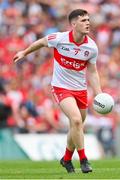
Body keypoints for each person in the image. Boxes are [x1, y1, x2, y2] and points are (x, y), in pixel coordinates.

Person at [13, 9, 102, 173]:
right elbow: (40, 42)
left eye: (88, 20)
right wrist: (24, 52)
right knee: (76, 121)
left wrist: (98, 93)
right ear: (73, 24)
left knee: (77, 126)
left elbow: (92, 71)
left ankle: (66, 159)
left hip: (80, 90)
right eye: (83, 21)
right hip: (61, 87)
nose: (88, 23)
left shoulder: (91, 47)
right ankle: (83, 160)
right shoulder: (59, 38)